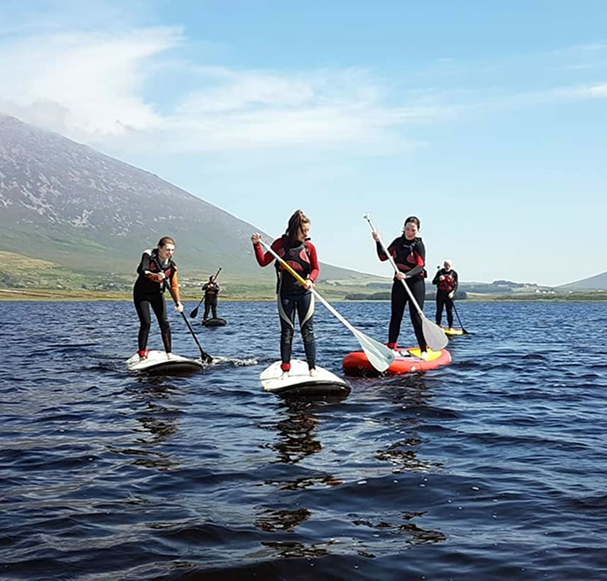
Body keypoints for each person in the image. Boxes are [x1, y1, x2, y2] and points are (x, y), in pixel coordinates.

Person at [251, 210, 319, 378]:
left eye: (308, 231)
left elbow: (316, 268)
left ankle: (312, 368)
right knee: (287, 331)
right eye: (304, 231)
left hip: (304, 293)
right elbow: (263, 262)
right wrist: (257, 245)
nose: (307, 234)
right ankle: (285, 370)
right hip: (285, 294)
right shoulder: (279, 245)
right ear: (295, 228)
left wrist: (310, 279)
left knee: (307, 331)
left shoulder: (309, 247)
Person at [373, 216, 429, 359]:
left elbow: (420, 265)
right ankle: (391, 346)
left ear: (418, 231)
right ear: (404, 228)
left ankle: (424, 349)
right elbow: (383, 256)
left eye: (413, 230)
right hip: (399, 283)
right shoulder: (398, 242)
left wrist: (407, 275)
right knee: (396, 314)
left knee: (415, 316)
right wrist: (378, 241)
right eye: (408, 229)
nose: (410, 232)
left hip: (416, 282)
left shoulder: (418, 245)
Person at [133, 236, 184, 360]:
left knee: (164, 323)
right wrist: (156, 276)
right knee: (146, 323)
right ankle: (142, 353)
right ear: (159, 248)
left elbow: (173, 285)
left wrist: (178, 302)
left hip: (157, 294)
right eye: (167, 250)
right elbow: (142, 271)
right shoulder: (148, 255)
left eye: (172, 250)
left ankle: (169, 354)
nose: (170, 253)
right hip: (141, 294)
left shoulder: (172, 266)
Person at [432, 259, 459, 330]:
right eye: (446, 265)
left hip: (449, 294)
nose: (447, 267)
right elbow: (433, 282)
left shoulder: (454, 274)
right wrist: (439, 279)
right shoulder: (440, 272)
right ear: (444, 265)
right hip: (440, 293)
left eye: (449, 265)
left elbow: (456, 285)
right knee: (439, 310)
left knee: (449, 311)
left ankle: (450, 327)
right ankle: (438, 324)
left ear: (451, 266)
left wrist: (452, 293)